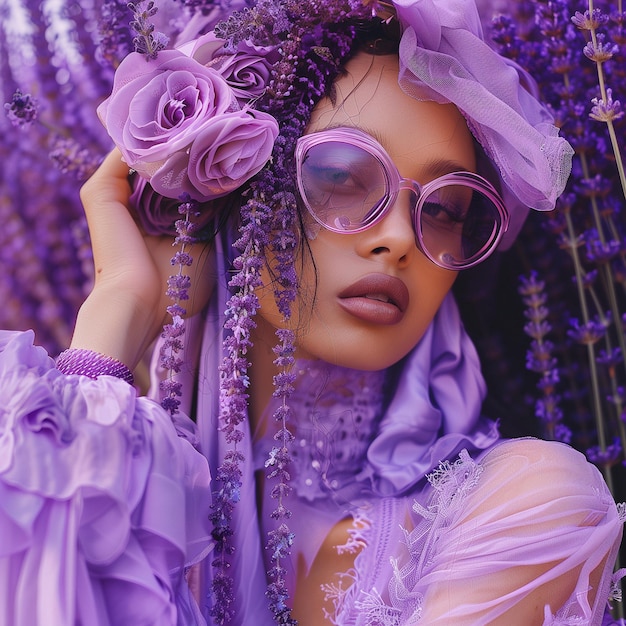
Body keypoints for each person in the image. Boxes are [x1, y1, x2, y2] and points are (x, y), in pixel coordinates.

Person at [0, 0, 623, 624]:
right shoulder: (138, 498)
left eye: (445, 207)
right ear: (232, 192)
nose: (403, 237)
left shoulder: (529, 508)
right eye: (343, 173)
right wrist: (120, 307)